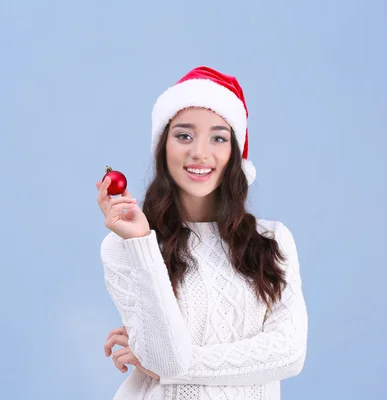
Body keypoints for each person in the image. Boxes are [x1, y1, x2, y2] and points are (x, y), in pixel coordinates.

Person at [96, 66, 308, 399]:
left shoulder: (273, 240)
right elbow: (167, 357)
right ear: (163, 147)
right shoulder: (125, 246)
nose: (199, 152)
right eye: (184, 135)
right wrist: (141, 243)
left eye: (218, 137)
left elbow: (290, 354)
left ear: (234, 153)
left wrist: (176, 366)